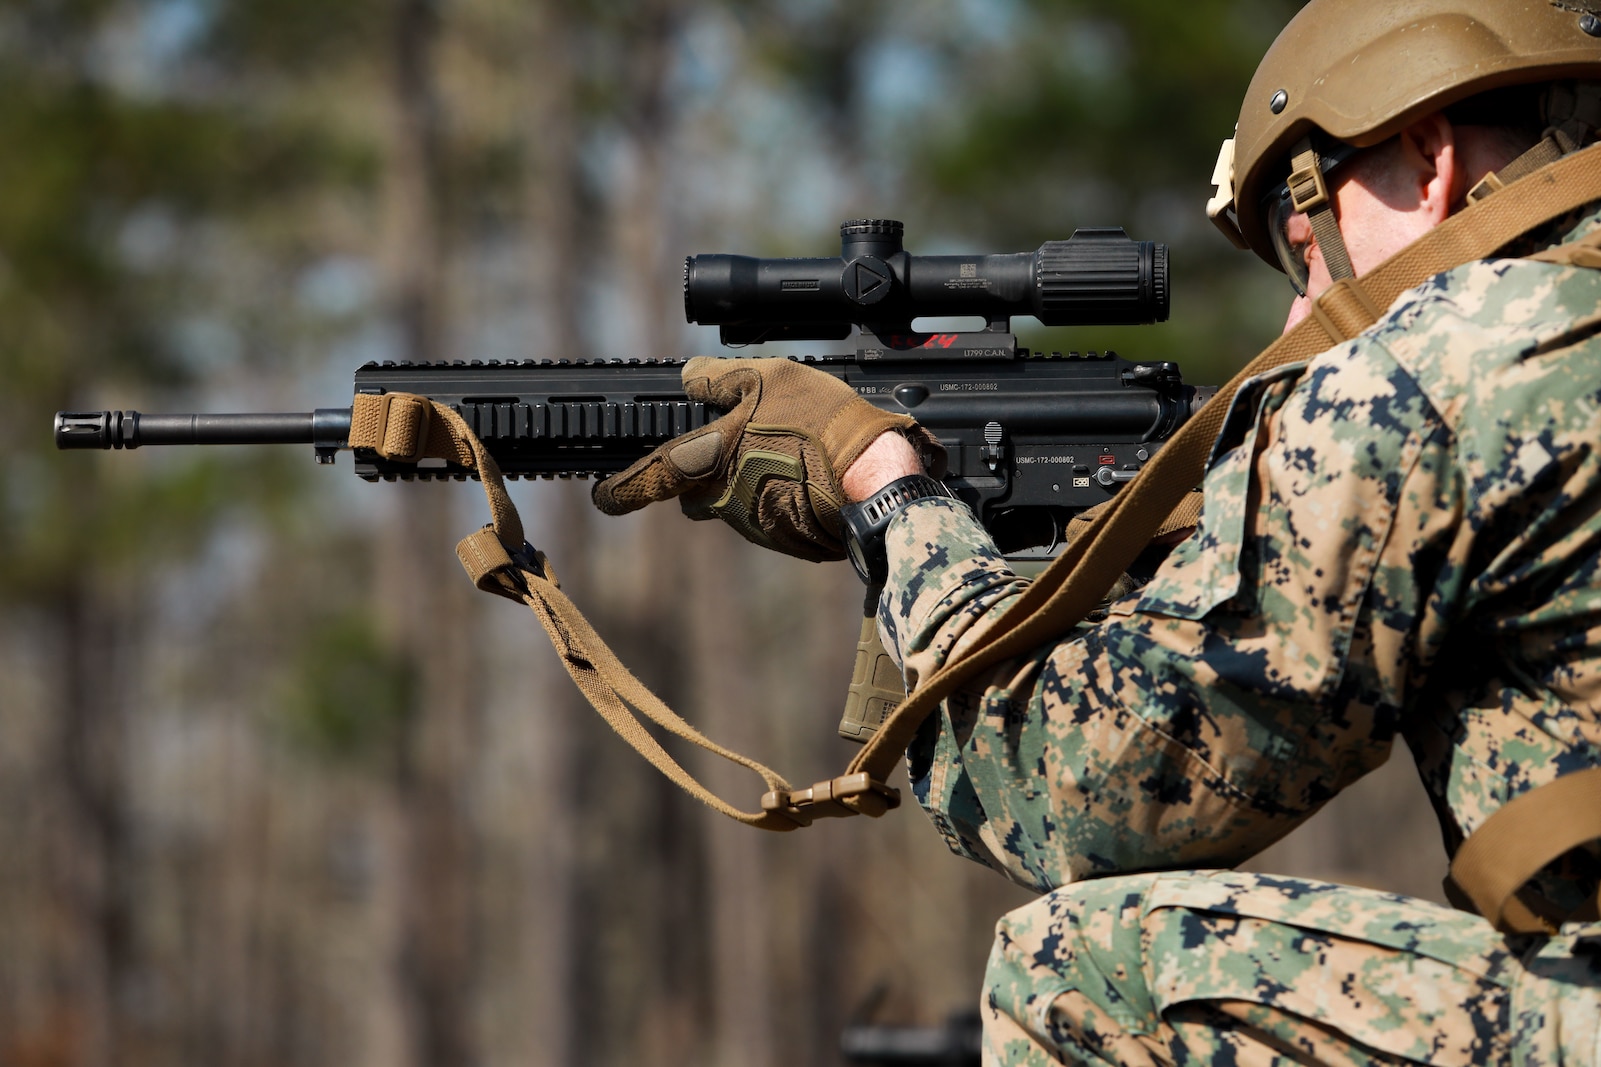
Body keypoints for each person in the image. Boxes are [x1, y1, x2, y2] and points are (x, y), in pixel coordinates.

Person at [594, 1, 1601, 1062]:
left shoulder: (1445, 361)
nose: (1300, 321)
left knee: (1082, 970)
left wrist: (885, 491)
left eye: (1307, 247)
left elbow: (1077, 787)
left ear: (1426, 156)